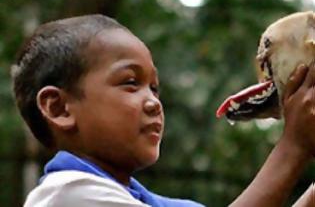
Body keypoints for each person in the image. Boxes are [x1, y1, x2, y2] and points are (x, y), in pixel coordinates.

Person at [11, 14, 315, 207]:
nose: (153, 102)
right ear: (60, 107)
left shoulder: (142, 200)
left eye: (154, 88)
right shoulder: (67, 195)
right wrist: (294, 146)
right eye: (130, 83)